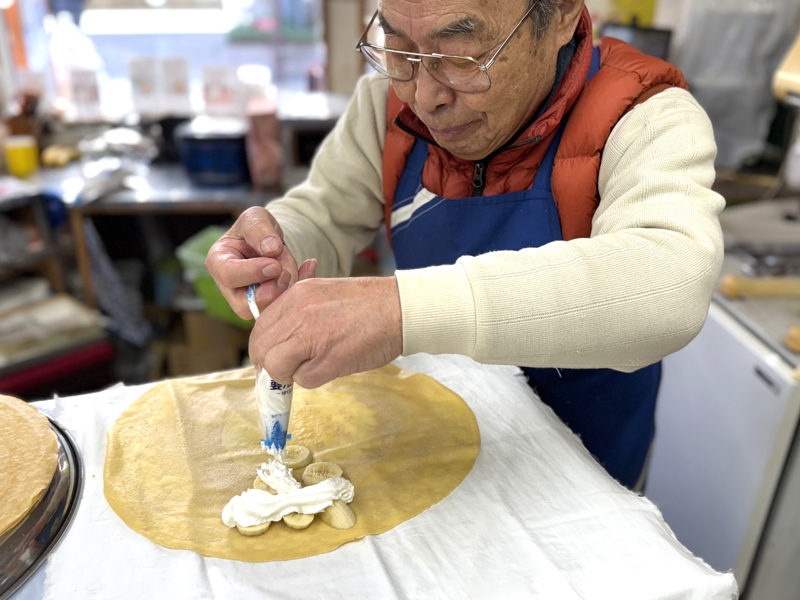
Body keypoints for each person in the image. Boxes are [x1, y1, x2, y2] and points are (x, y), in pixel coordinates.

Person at [206, 0, 724, 490]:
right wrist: (276, 243)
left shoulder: (642, 116)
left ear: (563, 12)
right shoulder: (385, 111)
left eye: (462, 55)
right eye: (399, 46)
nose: (425, 95)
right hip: (431, 452)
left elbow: (668, 283)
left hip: (580, 476)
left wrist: (398, 311)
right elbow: (323, 212)